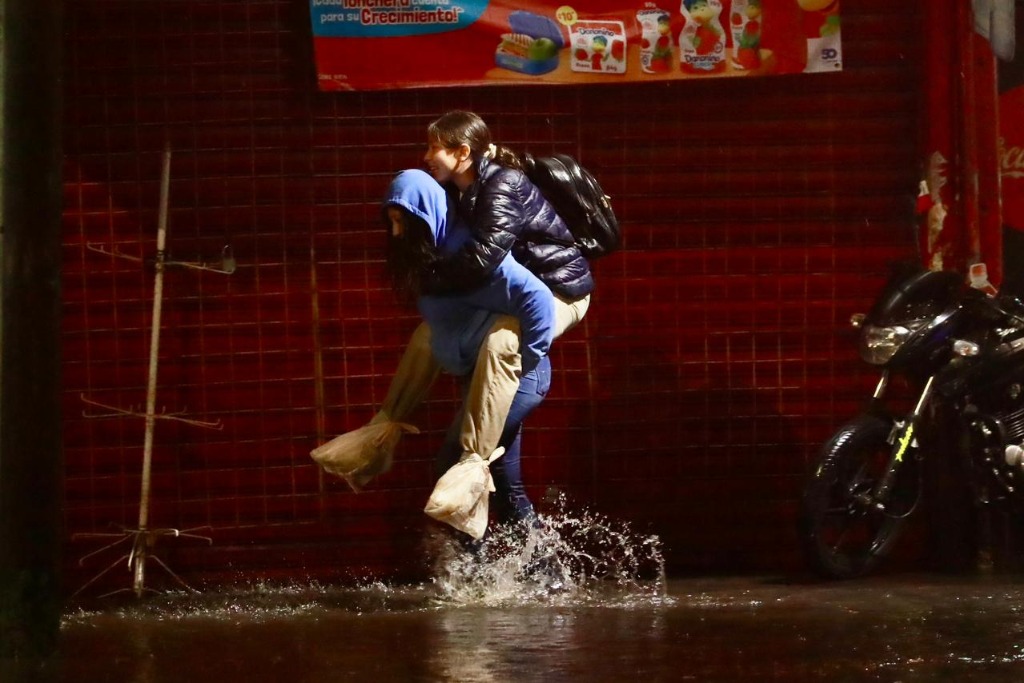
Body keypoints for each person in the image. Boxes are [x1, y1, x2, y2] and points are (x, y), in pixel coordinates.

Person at [373, 111, 596, 468]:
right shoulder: (456, 190)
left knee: (502, 340)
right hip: (517, 292)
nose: (426, 156)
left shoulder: (502, 183)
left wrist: (429, 280)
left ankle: (472, 462)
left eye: (435, 148)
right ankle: (519, 520)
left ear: (463, 153)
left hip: (559, 288)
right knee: (504, 469)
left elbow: (484, 257)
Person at [382, 169, 554, 527]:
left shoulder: (467, 253)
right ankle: (539, 571)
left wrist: (522, 364)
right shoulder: (432, 258)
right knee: (504, 481)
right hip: (481, 377)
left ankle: (471, 574)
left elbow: (538, 299)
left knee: (455, 465)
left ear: (424, 215)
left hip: (515, 377)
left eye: (402, 222)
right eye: (391, 223)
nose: (396, 233)